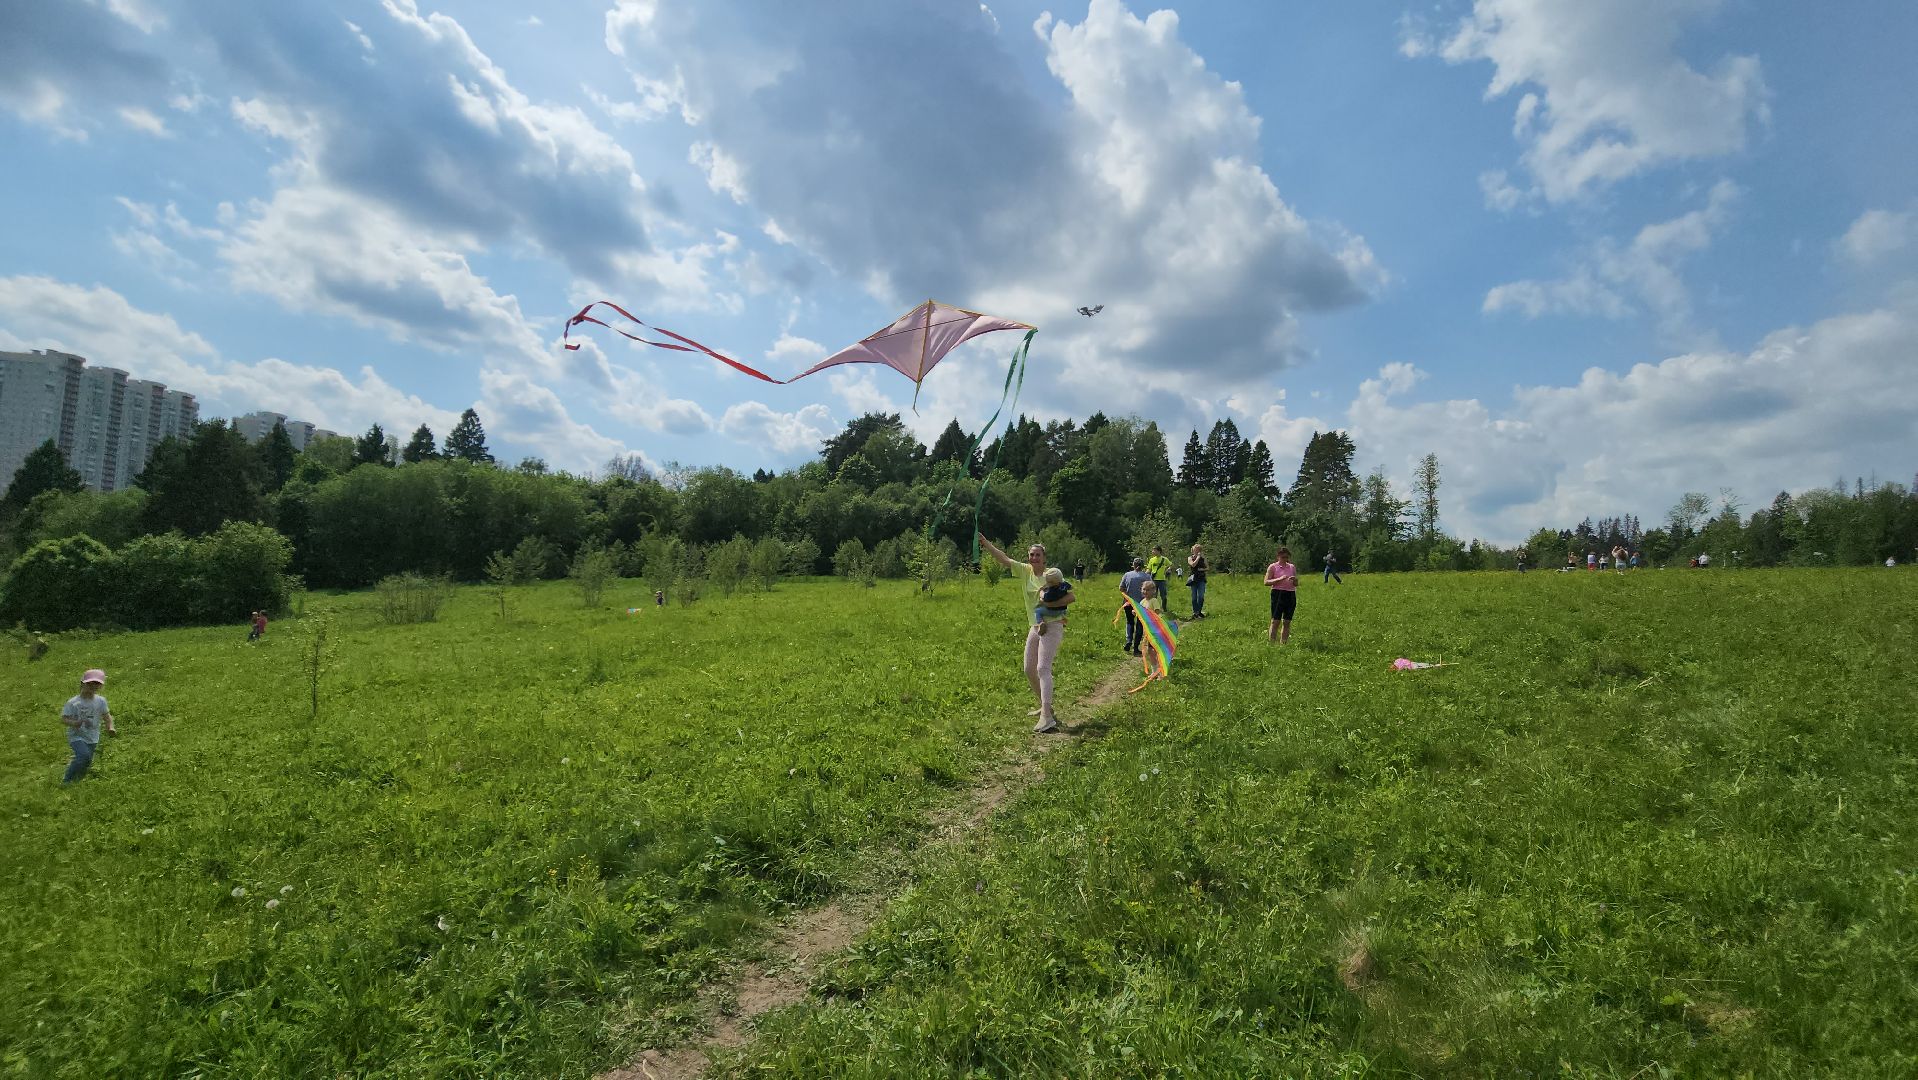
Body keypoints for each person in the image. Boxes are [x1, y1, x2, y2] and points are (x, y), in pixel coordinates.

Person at [979, 533, 1075, 733]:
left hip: (1053, 625)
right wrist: (987, 544)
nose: (1033, 558)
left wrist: (1050, 603)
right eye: (1031, 555)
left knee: (1042, 668)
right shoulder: (1025, 571)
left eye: (1037, 555)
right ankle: (1044, 704)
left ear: (1044, 558)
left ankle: (1047, 717)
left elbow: (1070, 597)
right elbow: (1004, 559)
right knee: (1028, 668)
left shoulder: (1052, 574)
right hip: (1036, 626)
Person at [61, 669, 116, 783]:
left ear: (100, 687)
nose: (93, 687)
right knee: (83, 755)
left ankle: (78, 780)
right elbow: (64, 719)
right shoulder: (73, 702)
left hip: (92, 736)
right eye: (90, 684)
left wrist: (110, 727)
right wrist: (74, 723)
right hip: (76, 736)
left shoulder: (101, 701)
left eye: (96, 685)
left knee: (87, 761)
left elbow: (107, 716)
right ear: (82, 683)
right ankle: (67, 780)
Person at [1265, 547, 1299, 644]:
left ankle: (1283, 644)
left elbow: (1296, 584)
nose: (1285, 559)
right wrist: (1279, 579)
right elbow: (1266, 582)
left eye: (1287, 557)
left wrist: (1295, 580)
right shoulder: (1273, 567)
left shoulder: (1292, 567)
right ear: (1278, 556)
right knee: (1275, 621)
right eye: (1283, 557)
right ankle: (1271, 644)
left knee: (1287, 621)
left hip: (1290, 594)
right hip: (1278, 594)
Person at [1119, 557, 1151, 656]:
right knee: (1140, 625)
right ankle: (1136, 648)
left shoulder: (1127, 575)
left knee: (1129, 622)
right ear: (1143, 565)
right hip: (1142, 604)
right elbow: (1151, 590)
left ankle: (1129, 640)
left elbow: (1121, 588)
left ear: (1133, 565)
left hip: (1128, 602)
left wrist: (1127, 596)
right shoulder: (1147, 576)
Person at [1034, 568, 1073, 636]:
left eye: (1048, 582)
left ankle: (1041, 623)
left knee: (1037, 611)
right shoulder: (1064, 585)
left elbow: (1044, 597)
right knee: (1065, 606)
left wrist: (1041, 591)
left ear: (1051, 582)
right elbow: (1071, 587)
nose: (1047, 584)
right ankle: (1063, 618)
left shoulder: (1051, 592)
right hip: (1061, 610)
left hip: (1052, 611)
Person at [1145, 545, 1174, 615]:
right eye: (1153, 550)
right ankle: (1154, 610)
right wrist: (1145, 574)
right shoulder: (1151, 560)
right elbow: (1149, 569)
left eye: (1154, 550)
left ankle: (1164, 609)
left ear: (1159, 551)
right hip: (1153, 580)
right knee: (1153, 596)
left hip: (1162, 580)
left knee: (1163, 595)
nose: (1153, 551)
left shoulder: (1164, 559)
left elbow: (1171, 565)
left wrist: (1169, 569)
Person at [1186, 543, 1209, 618]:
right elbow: (1193, 565)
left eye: (1198, 550)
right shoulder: (1190, 558)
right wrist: (1198, 557)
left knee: (1201, 596)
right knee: (1194, 597)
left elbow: (1208, 568)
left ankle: (1199, 611)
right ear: (1193, 550)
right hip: (1193, 579)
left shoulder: (1203, 558)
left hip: (1201, 578)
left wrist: (1202, 569)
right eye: (1195, 549)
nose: (1196, 551)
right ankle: (1195, 612)